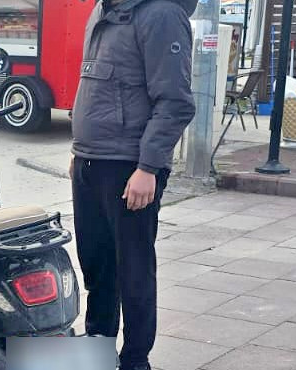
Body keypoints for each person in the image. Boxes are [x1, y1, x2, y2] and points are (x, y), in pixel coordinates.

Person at [69, 0, 197, 369]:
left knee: (134, 272)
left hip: (129, 167)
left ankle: (135, 359)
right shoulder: (102, 9)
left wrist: (148, 167)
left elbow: (174, 102)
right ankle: (97, 352)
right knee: (97, 267)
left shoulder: (161, 15)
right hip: (91, 161)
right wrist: (81, 152)